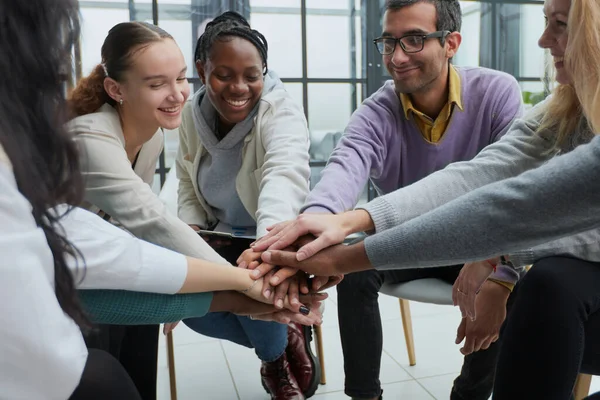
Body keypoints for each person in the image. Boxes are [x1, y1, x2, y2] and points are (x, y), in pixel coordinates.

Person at [253, 0, 600, 397]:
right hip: (449, 238)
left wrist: (497, 262)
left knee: (534, 286)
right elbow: (474, 175)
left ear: (451, 43)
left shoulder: (495, 91)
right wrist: (336, 224)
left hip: (487, 243)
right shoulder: (562, 109)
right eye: (389, 42)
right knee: (542, 286)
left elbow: (510, 204)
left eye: (414, 40)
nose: (397, 57)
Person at [0, 1, 321, 398]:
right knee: (113, 367)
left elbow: (281, 176)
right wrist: (249, 282)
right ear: (116, 89)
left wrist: (255, 267)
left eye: (180, 78)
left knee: (146, 353)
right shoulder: (92, 139)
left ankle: (276, 346)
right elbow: (149, 218)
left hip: (105, 262)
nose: (177, 95)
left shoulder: (150, 130)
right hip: (61, 278)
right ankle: (278, 340)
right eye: (157, 84)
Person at [175, 11, 320, 399]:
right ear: (203, 70)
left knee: (259, 287)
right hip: (216, 235)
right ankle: (285, 336)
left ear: (264, 72)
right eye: (224, 74)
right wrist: (187, 231)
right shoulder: (191, 112)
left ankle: (273, 362)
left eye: (251, 75)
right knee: (191, 312)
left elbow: (283, 176)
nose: (239, 87)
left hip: (269, 234)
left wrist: (266, 250)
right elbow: (186, 179)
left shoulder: (280, 110)